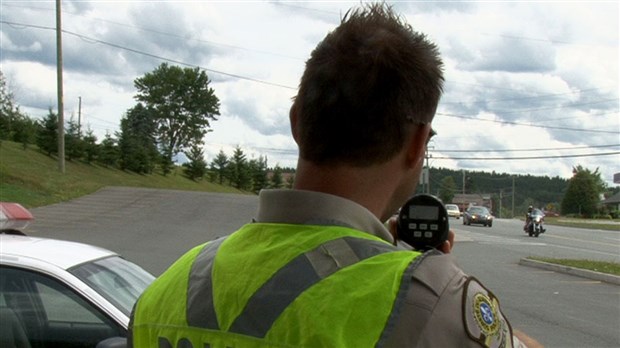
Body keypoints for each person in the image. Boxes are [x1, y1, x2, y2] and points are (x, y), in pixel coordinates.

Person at [129, 3, 541, 347]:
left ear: (296, 123)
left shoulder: (161, 293)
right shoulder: (436, 306)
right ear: (418, 144)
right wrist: (425, 284)